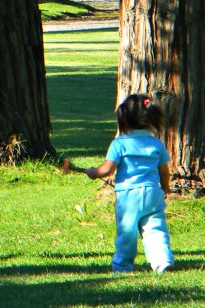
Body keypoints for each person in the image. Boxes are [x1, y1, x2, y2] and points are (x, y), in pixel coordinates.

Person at [63, 94, 175, 274]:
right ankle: (162, 261)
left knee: (127, 231)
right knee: (155, 228)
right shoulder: (156, 143)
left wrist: (93, 172)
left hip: (129, 195)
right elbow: (164, 170)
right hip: (153, 193)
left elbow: (107, 170)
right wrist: (165, 187)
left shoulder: (119, 144)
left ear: (124, 119)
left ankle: (123, 266)